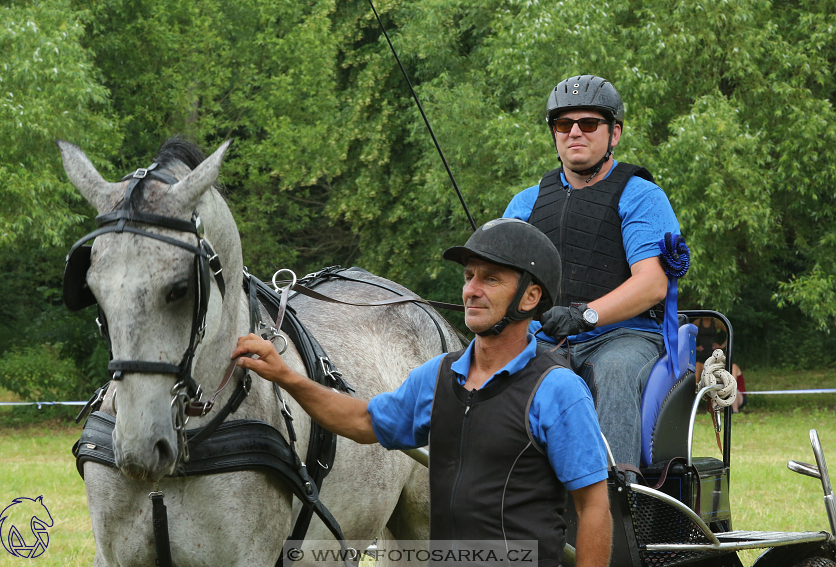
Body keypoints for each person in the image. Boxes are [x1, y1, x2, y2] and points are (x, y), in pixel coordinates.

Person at [233, 218, 612, 567]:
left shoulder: (558, 390)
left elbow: (593, 508)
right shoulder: (439, 376)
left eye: (490, 279)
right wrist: (286, 375)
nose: (470, 291)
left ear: (530, 298)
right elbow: (362, 421)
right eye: (468, 276)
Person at [503, 75, 682, 469]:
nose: (575, 133)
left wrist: (583, 315)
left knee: (613, 371)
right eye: (563, 125)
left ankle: (618, 495)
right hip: (545, 336)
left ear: (614, 133)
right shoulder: (524, 203)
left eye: (588, 124)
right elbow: (502, 283)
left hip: (626, 336)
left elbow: (652, 283)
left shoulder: (640, 196)